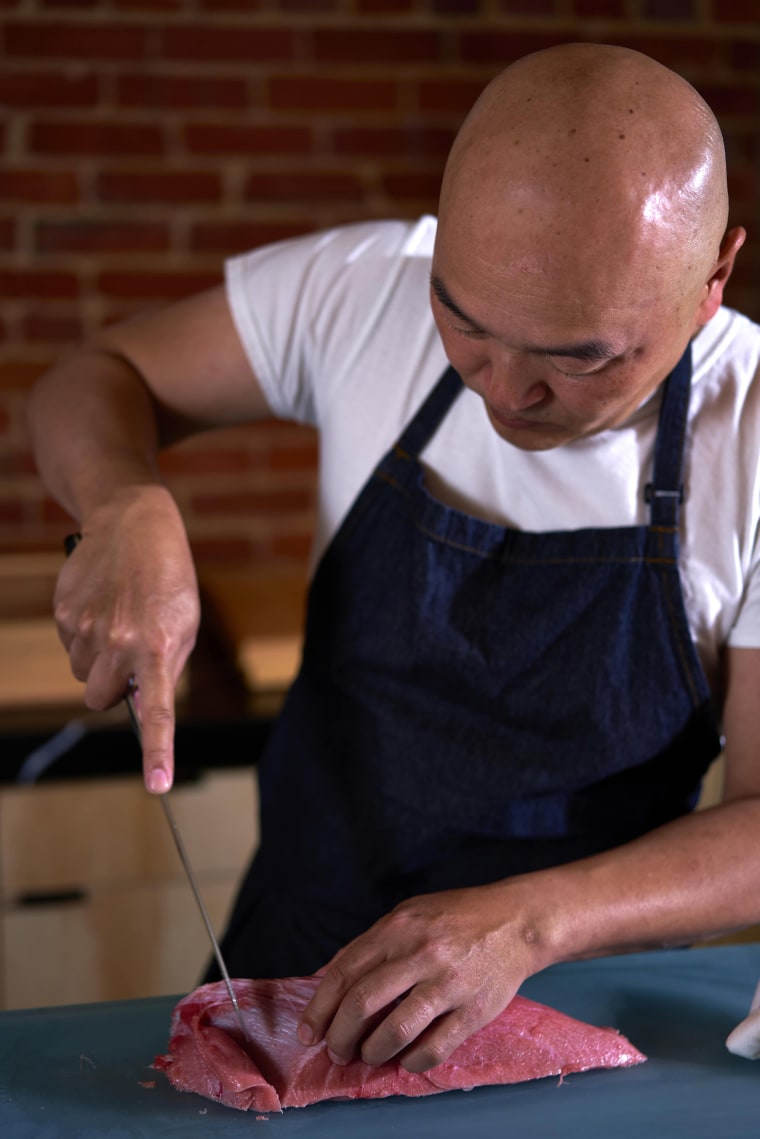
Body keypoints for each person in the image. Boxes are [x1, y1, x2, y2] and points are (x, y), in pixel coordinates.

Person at [27, 42, 760, 1076]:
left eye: (578, 356)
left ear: (710, 282)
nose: (505, 389)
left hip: (579, 1007)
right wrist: (124, 497)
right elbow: (92, 376)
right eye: (464, 319)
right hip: (294, 964)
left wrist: (529, 924)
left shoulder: (753, 432)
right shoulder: (365, 291)